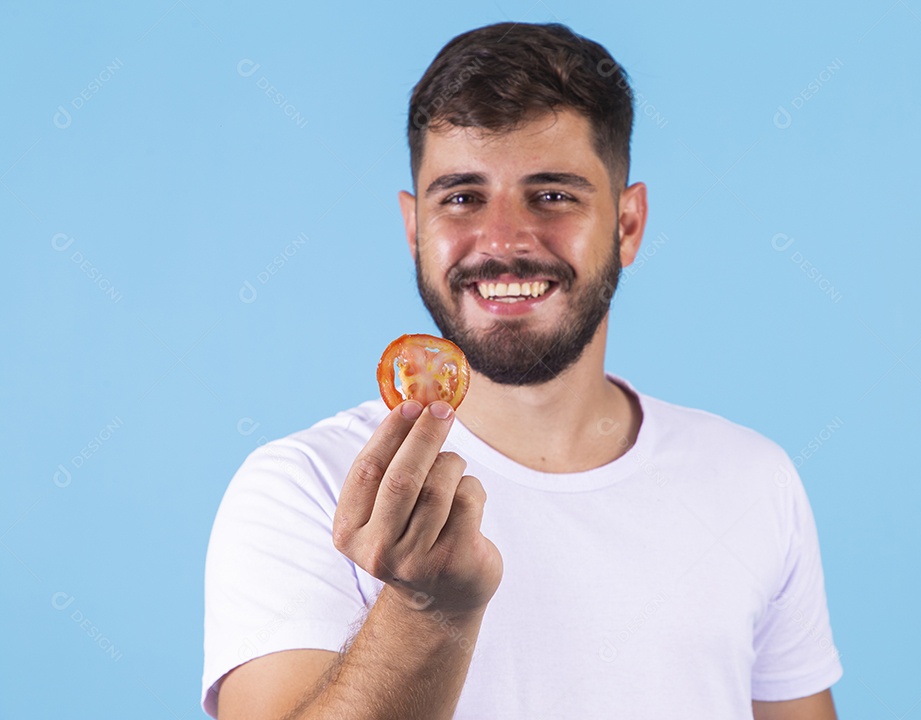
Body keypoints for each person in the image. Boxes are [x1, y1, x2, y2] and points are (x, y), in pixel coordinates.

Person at [202, 21, 843, 720]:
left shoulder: (753, 478)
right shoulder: (305, 488)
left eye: (553, 195)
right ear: (414, 229)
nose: (503, 242)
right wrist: (426, 609)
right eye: (462, 197)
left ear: (628, 225)